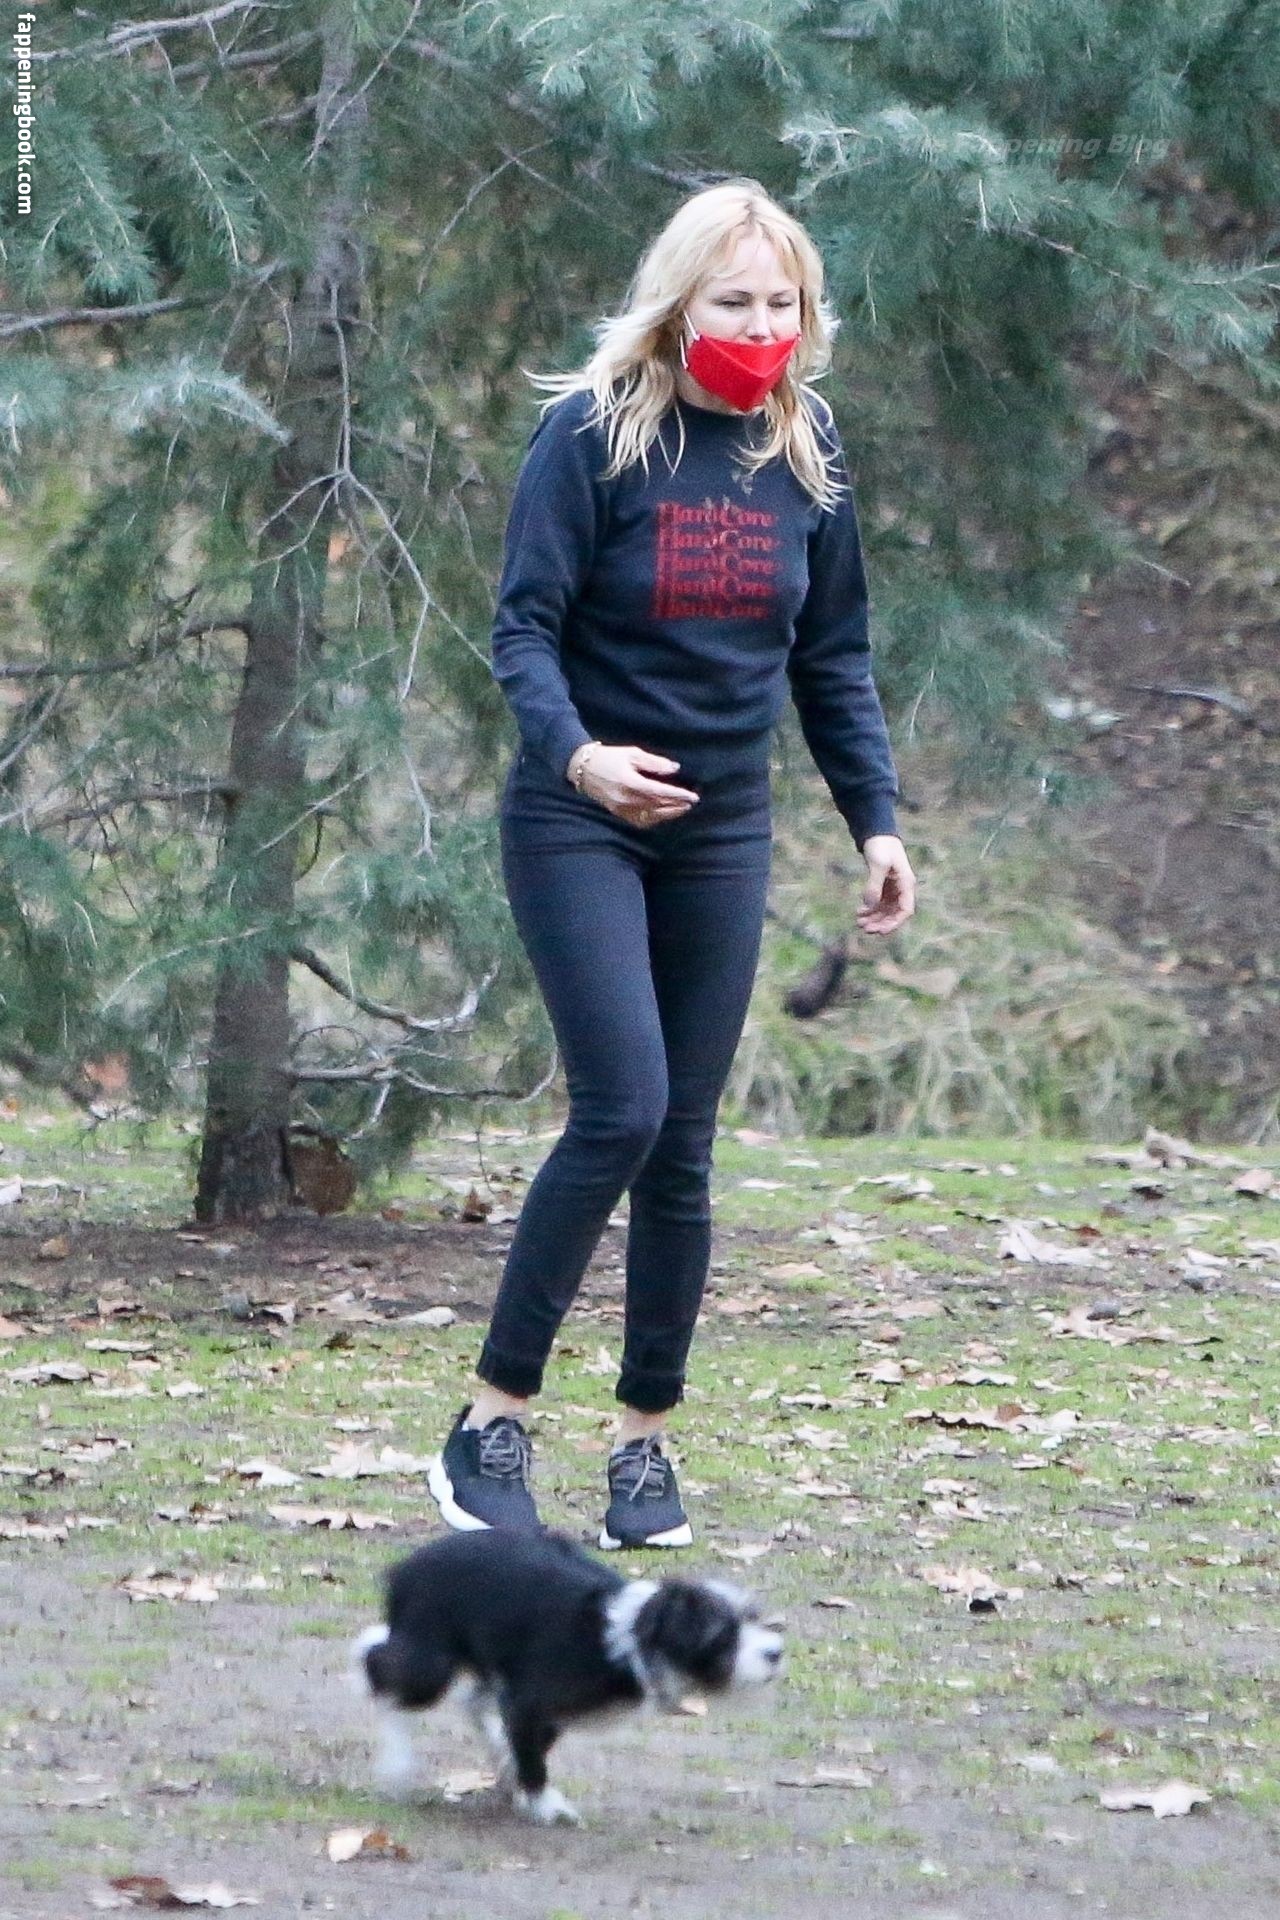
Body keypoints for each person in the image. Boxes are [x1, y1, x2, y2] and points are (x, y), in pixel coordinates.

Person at [427, 178, 916, 1552]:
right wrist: (580, 757)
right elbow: (522, 630)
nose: (759, 326)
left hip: (723, 827)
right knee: (623, 1109)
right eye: (733, 301)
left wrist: (876, 820)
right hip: (579, 819)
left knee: (684, 1145)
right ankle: (489, 1424)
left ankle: (644, 1445)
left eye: (781, 304)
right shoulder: (593, 435)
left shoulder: (805, 447)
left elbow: (832, 657)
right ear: (678, 302)